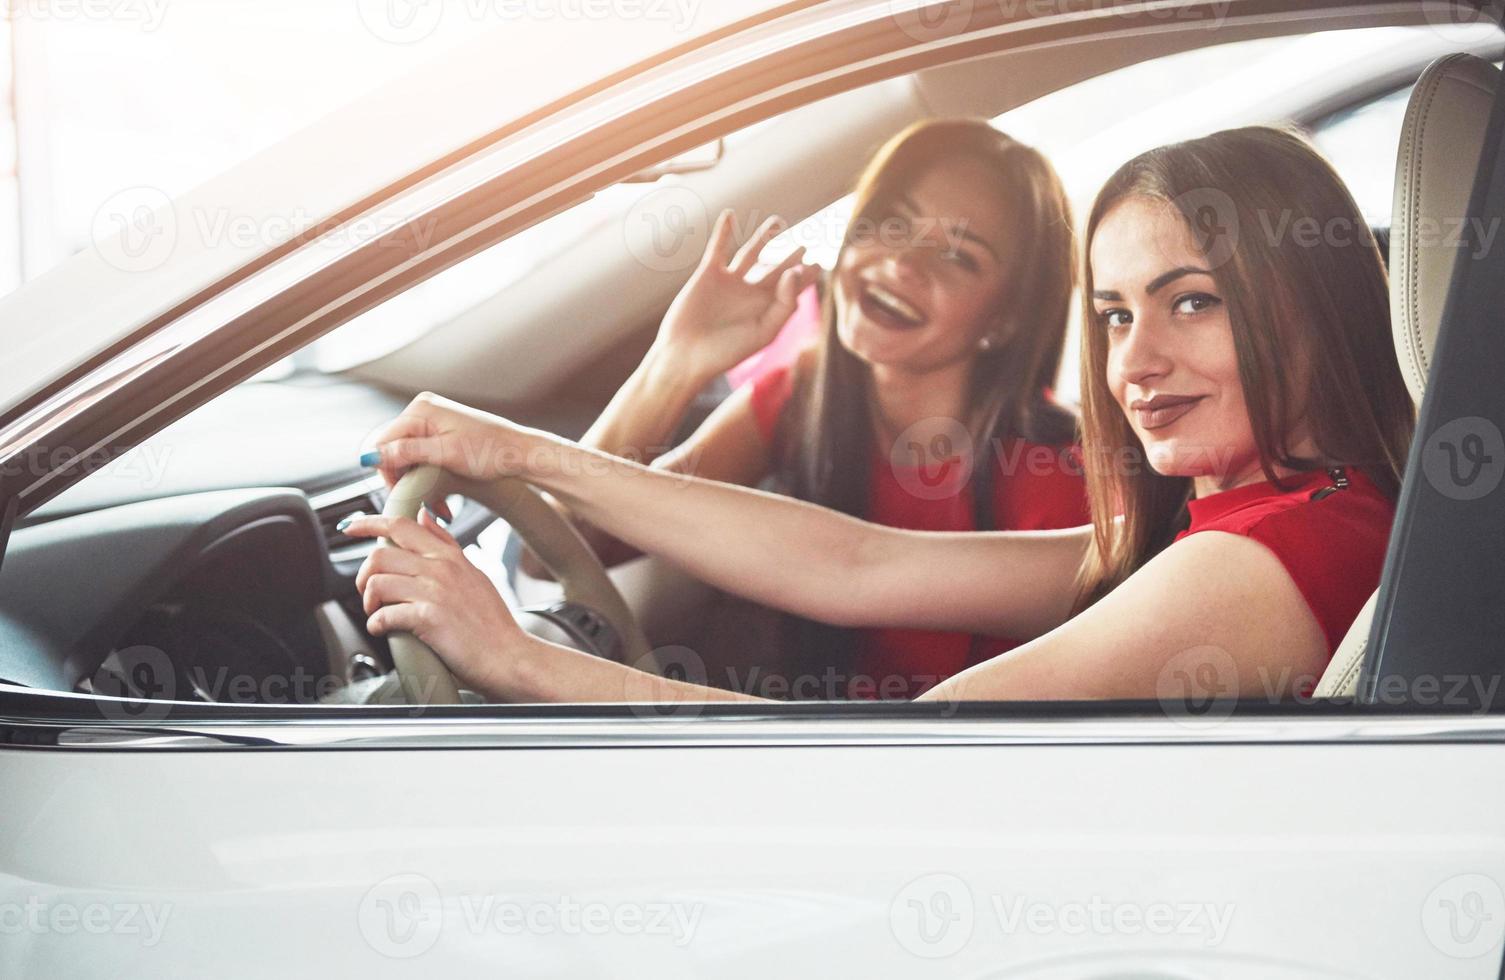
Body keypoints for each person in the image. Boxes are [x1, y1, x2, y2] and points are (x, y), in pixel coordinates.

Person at [342, 126, 1415, 705]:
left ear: (1308, 303)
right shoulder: (1272, 513)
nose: (1133, 361)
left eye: (1192, 301)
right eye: (1112, 313)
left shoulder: (1260, 555)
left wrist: (521, 660)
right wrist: (513, 445)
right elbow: (854, 565)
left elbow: (897, 762)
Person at [519, 118, 1088, 697]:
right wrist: (675, 363)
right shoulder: (804, 397)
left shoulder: (1061, 475)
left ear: (1005, 319)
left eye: (958, 256)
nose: (902, 264)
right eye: (892, 225)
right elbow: (556, 553)